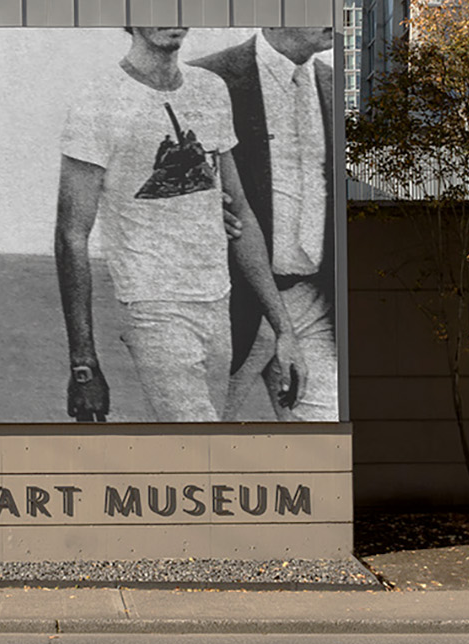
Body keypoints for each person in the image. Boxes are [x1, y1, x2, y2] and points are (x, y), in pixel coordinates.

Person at [54, 26, 301, 423]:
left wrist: (284, 329)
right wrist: (83, 365)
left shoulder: (210, 89)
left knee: (192, 451)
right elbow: (71, 235)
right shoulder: (98, 99)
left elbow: (240, 213)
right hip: (153, 305)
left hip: (217, 302)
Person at [191, 28, 339, 422]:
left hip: (313, 303)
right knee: (192, 446)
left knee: (327, 447)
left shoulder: (332, 83)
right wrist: (195, 207)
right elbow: (160, 178)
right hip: (232, 303)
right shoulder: (208, 79)